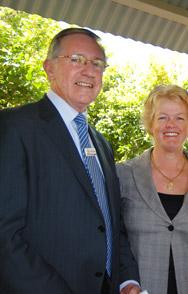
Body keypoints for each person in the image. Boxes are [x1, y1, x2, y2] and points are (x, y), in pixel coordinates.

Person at [0, 28, 141, 294]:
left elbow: (111, 222)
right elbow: (4, 235)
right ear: (49, 68)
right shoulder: (13, 127)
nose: (89, 70)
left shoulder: (102, 144)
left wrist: (127, 278)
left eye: (97, 63)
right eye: (76, 59)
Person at [116, 85, 188, 294]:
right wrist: (126, 280)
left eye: (180, 118)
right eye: (162, 118)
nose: (171, 124)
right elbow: (113, 236)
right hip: (139, 289)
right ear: (150, 123)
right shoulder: (122, 175)